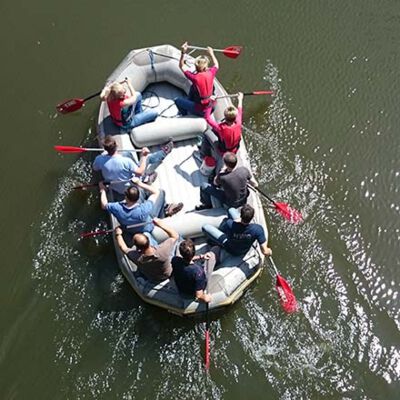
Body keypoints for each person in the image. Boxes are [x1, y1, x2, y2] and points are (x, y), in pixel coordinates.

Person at [99, 177, 183, 245]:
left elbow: (104, 205)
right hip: (148, 226)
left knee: (148, 195)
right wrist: (140, 183)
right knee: (162, 192)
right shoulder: (144, 209)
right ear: (137, 198)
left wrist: (102, 190)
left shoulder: (117, 208)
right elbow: (156, 192)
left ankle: (165, 211)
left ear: (126, 197)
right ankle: (164, 212)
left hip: (130, 230)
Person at [93, 135, 173, 194]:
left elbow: (95, 168)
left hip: (117, 189)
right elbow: (140, 171)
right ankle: (163, 153)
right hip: (131, 186)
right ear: (116, 146)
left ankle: (144, 173)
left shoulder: (99, 159)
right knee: (147, 159)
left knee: (126, 153)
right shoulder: (125, 162)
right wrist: (144, 156)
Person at [115, 218, 179, 282]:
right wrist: (160, 224)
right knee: (146, 233)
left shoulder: (136, 257)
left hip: (153, 277)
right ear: (148, 241)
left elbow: (123, 247)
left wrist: (118, 234)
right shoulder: (163, 250)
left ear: (137, 247)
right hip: (168, 273)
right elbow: (175, 236)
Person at [202, 204, 272, 257]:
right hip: (243, 250)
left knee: (205, 227)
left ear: (240, 215)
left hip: (229, 247)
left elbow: (225, 227)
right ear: (252, 217)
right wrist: (270, 252)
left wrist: (235, 222)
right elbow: (265, 251)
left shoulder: (230, 224)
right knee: (231, 210)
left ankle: (212, 242)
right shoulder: (258, 229)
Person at [175, 42, 219, 117]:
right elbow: (216, 65)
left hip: (201, 110)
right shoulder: (211, 73)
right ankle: (190, 102)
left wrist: (183, 52)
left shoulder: (194, 77)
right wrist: (211, 53)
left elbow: (181, 65)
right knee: (193, 87)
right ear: (205, 67)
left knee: (176, 100)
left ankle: (184, 114)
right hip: (212, 106)